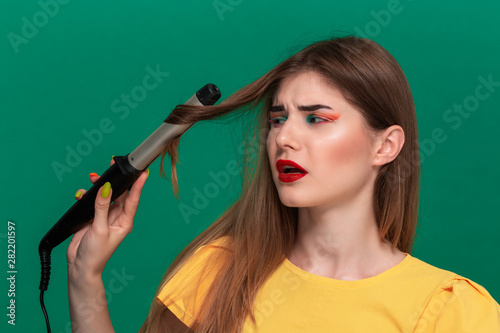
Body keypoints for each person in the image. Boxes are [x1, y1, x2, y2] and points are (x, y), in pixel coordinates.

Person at [67, 36, 500, 333]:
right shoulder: (218, 271)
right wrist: (84, 276)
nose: (283, 138)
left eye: (317, 118)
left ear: (385, 146)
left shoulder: (452, 311)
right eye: (278, 119)